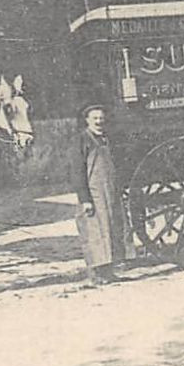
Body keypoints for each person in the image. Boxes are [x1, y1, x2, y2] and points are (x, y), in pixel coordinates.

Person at [72, 104, 127, 285]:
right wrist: (85, 199)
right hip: (93, 195)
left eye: (101, 118)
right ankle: (96, 274)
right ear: (87, 120)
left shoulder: (106, 138)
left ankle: (109, 272)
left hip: (108, 192)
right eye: (95, 118)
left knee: (111, 230)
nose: (99, 122)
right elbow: (78, 172)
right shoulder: (82, 140)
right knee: (95, 233)